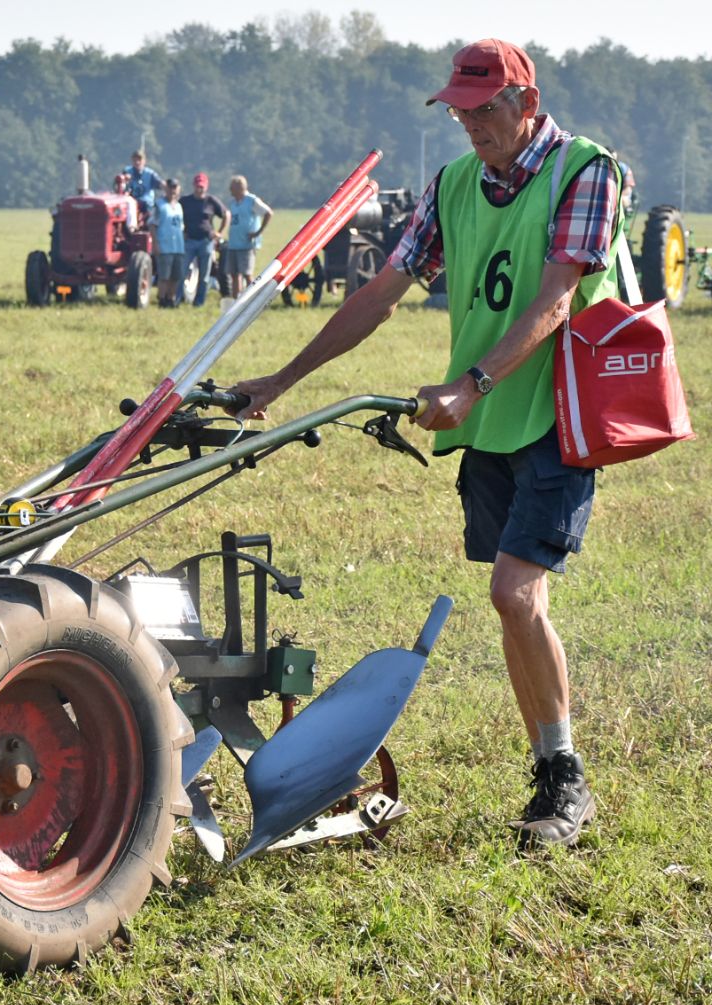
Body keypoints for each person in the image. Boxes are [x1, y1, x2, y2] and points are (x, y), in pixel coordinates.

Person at [233, 39, 626, 849]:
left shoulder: (584, 171)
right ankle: (550, 764)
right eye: (460, 111)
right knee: (517, 603)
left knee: (515, 593)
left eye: (485, 109)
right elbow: (383, 291)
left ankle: (566, 777)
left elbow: (557, 299)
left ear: (527, 102)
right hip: (488, 423)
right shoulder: (452, 185)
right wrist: (281, 380)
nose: (472, 124)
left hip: (558, 412)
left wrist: (470, 383)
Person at [180, 172, 227, 307]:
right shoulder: (185, 201)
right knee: (182, 272)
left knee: (204, 275)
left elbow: (226, 214)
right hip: (189, 240)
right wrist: (181, 232)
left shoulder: (211, 201)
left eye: (202, 187)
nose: (199, 189)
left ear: (206, 187)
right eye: (197, 186)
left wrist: (219, 232)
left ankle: (199, 302)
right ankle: (178, 298)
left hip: (206, 241)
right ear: (193, 186)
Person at [224, 175, 274, 299]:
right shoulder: (233, 203)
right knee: (234, 274)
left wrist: (258, 232)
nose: (230, 191)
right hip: (233, 243)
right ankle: (236, 300)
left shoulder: (251, 200)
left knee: (247, 273)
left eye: (232, 188)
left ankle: (254, 298)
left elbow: (268, 213)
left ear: (240, 188)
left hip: (246, 245)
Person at [151, 178, 186, 307]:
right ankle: (162, 299)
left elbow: (181, 226)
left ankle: (171, 298)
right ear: (166, 189)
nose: (173, 191)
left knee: (175, 276)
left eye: (175, 188)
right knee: (164, 276)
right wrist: (155, 243)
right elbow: (152, 225)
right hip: (164, 246)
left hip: (178, 247)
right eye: (170, 188)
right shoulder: (159, 205)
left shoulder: (179, 206)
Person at [125, 150, 166, 214]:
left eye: (139, 160)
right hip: (131, 204)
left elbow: (161, 184)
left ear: (144, 161)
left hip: (146, 206)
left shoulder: (150, 174)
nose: (137, 162)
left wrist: (165, 187)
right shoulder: (127, 172)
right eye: (135, 160)